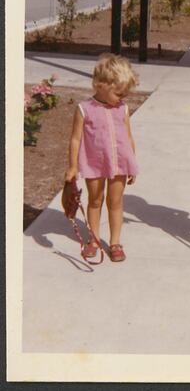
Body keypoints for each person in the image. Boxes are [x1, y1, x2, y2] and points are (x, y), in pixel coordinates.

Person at [64, 53, 139, 262]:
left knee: (115, 202)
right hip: (94, 164)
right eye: (118, 93)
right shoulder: (84, 109)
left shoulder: (122, 108)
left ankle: (115, 242)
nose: (122, 97)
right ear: (100, 85)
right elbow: (75, 140)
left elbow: (128, 136)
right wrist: (72, 167)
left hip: (120, 163)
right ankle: (94, 239)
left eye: (124, 93)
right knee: (95, 201)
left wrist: (131, 163)